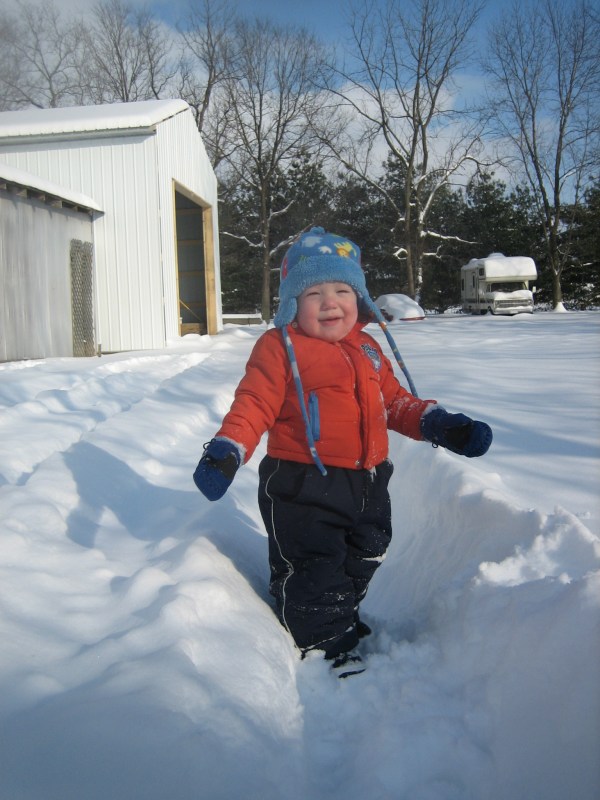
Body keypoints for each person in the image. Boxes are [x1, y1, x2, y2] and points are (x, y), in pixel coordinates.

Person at [193, 227, 492, 678]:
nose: (330, 302)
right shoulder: (280, 348)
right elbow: (253, 404)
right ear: (293, 303)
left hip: (369, 480)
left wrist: (438, 423)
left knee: (368, 550)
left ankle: (332, 608)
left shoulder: (369, 349)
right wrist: (228, 449)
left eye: (341, 290)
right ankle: (324, 640)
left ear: (360, 299)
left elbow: (394, 402)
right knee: (316, 561)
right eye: (314, 292)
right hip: (302, 483)